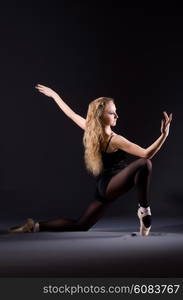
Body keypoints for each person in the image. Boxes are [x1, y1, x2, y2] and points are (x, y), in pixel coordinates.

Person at [9, 84, 172, 236]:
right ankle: (144, 210)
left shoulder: (90, 129)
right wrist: (164, 135)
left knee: (81, 225)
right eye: (112, 112)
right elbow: (145, 154)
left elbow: (71, 113)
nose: (117, 115)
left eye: (116, 111)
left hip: (105, 186)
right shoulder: (115, 139)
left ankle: (34, 226)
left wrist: (55, 96)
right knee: (145, 164)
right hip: (111, 185)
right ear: (100, 116)